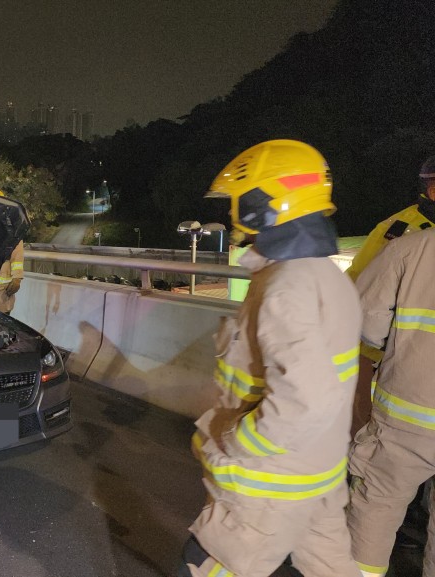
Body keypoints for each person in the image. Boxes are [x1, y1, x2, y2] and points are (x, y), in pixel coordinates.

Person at [179, 140, 362, 577]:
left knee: (204, 564)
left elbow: (309, 399)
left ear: (264, 204)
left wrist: (238, 444)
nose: (231, 214)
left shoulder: (285, 287)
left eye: (239, 202)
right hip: (317, 475)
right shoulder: (327, 277)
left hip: (270, 485)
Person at [347, 224, 435, 577]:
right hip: (406, 416)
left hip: (407, 416)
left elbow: (367, 323)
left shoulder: (411, 248)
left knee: (377, 508)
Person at [345, 155, 435, 433]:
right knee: (363, 411)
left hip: (420, 347)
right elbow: (359, 279)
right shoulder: (398, 229)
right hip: (378, 344)